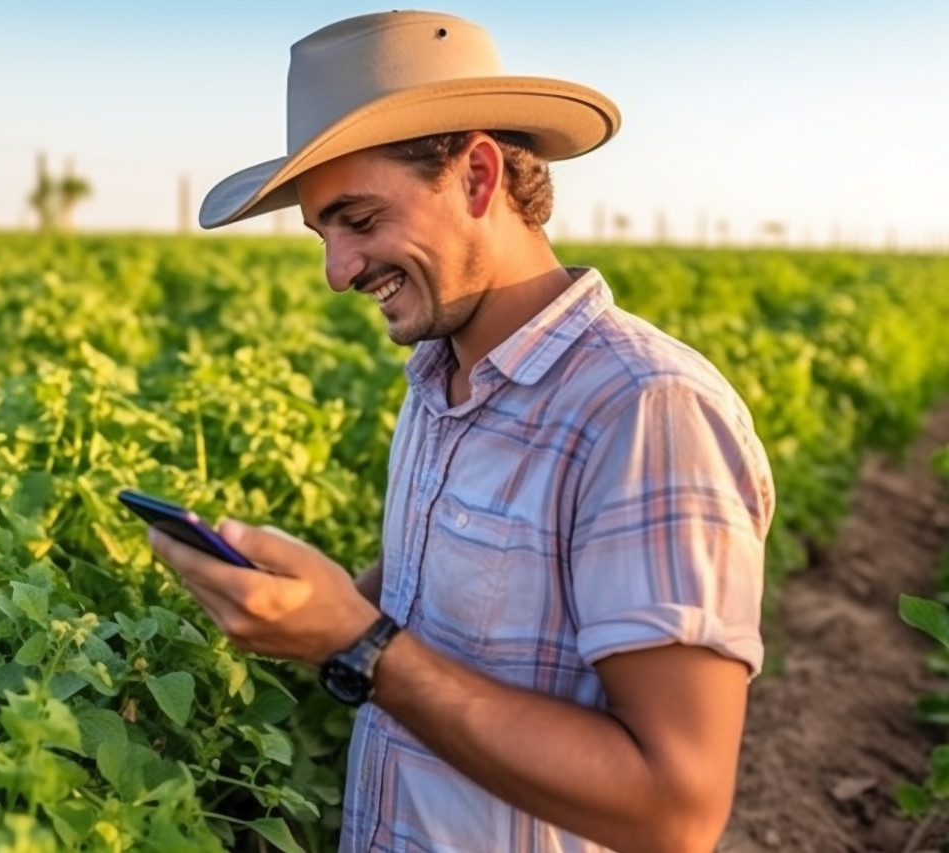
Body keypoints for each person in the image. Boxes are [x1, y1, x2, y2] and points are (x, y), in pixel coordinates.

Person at [148, 10, 774, 853]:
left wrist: (357, 642)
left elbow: (675, 808)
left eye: (360, 220)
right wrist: (309, 600)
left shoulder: (644, 409)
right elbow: (453, 602)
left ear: (479, 176)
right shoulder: (442, 379)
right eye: (323, 232)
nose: (338, 271)